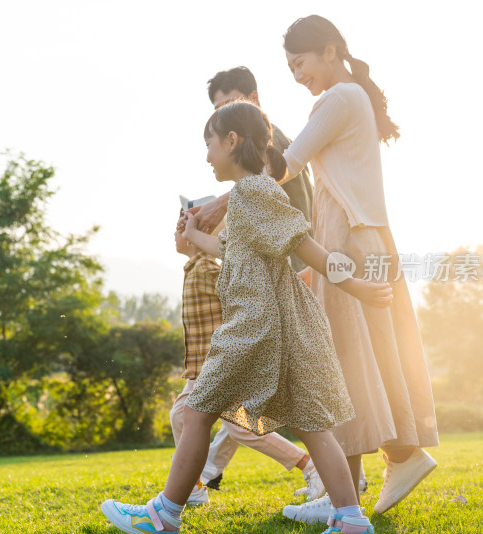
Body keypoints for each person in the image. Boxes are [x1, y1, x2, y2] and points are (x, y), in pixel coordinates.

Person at [100, 101, 392, 534]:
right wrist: (195, 236)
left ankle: (163, 516)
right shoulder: (250, 197)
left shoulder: (253, 192)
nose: (206, 156)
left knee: (197, 412)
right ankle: (351, 520)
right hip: (282, 328)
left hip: (255, 327)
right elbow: (235, 253)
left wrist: (359, 288)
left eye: (210, 144)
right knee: (313, 425)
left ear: (232, 141)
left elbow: (306, 248)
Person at [193, 15, 440, 525]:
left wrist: (225, 199)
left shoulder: (338, 99)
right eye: (289, 67)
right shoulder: (352, 97)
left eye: (300, 63)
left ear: (329, 51)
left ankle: (369, 474)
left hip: (347, 233)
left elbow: (288, 163)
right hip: (358, 231)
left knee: (341, 364)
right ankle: (375, 467)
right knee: (357, 361)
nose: (297, 75)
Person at [170, 202, 324, 505]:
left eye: (181, 225)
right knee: (181, 415)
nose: (175, 231)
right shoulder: (194, 267)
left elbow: (257, 291)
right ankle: (195, 486)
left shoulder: (207, 268)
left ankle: (310, 465)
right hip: (201, 366)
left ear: (196, 235)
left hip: (223, 362)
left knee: (239, 427)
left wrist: (304, 276)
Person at [205, 66, 314, 272]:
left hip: (294, 269)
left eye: (230, 104)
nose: (223, 117)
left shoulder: (269, 145)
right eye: (218, 111)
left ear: (254, 99)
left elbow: (254, 189)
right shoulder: (269, 145)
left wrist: (216, 208)